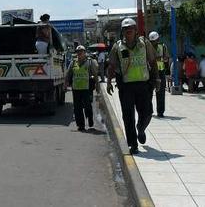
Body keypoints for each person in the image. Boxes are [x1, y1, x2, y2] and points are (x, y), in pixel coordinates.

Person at [106, 18, 158, 155]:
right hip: (126, 86)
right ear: (122, 31)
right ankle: (133, 144)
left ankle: (140, 129)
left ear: (136, 30)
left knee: (147, 113)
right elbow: (111, 65)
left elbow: (153, 62)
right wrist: (109, 82)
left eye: (131, 28)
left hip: (143, 85)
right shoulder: (117, 47)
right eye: (125, 29)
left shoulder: (145, 44)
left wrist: (156, 79)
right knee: (128, 116)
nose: (128, 31)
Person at [67, 45, 98, 131]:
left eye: (81, 51)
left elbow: (95, 74)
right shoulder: (74, 62)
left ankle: (90, 119)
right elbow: (69, 73)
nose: (79, 53)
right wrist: (65, 84)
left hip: (86, 88)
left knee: (87, 106)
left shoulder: (89, 62)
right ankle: (81, 125)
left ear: (85, 53)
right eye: (78, 52)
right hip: (76, 88)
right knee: (77, 108)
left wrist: (97, 86)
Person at [148, 31, 169, 118]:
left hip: (160, 72)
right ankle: (149, 111)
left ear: (158, 39)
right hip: (150, 72)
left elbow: (166, 58)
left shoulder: (163, 47)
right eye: (152, 41)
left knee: (161, 93)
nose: (154, 43)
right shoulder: (147, 47)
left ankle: (160, 112)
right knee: (148, 93)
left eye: (155, 41)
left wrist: (160, 59)